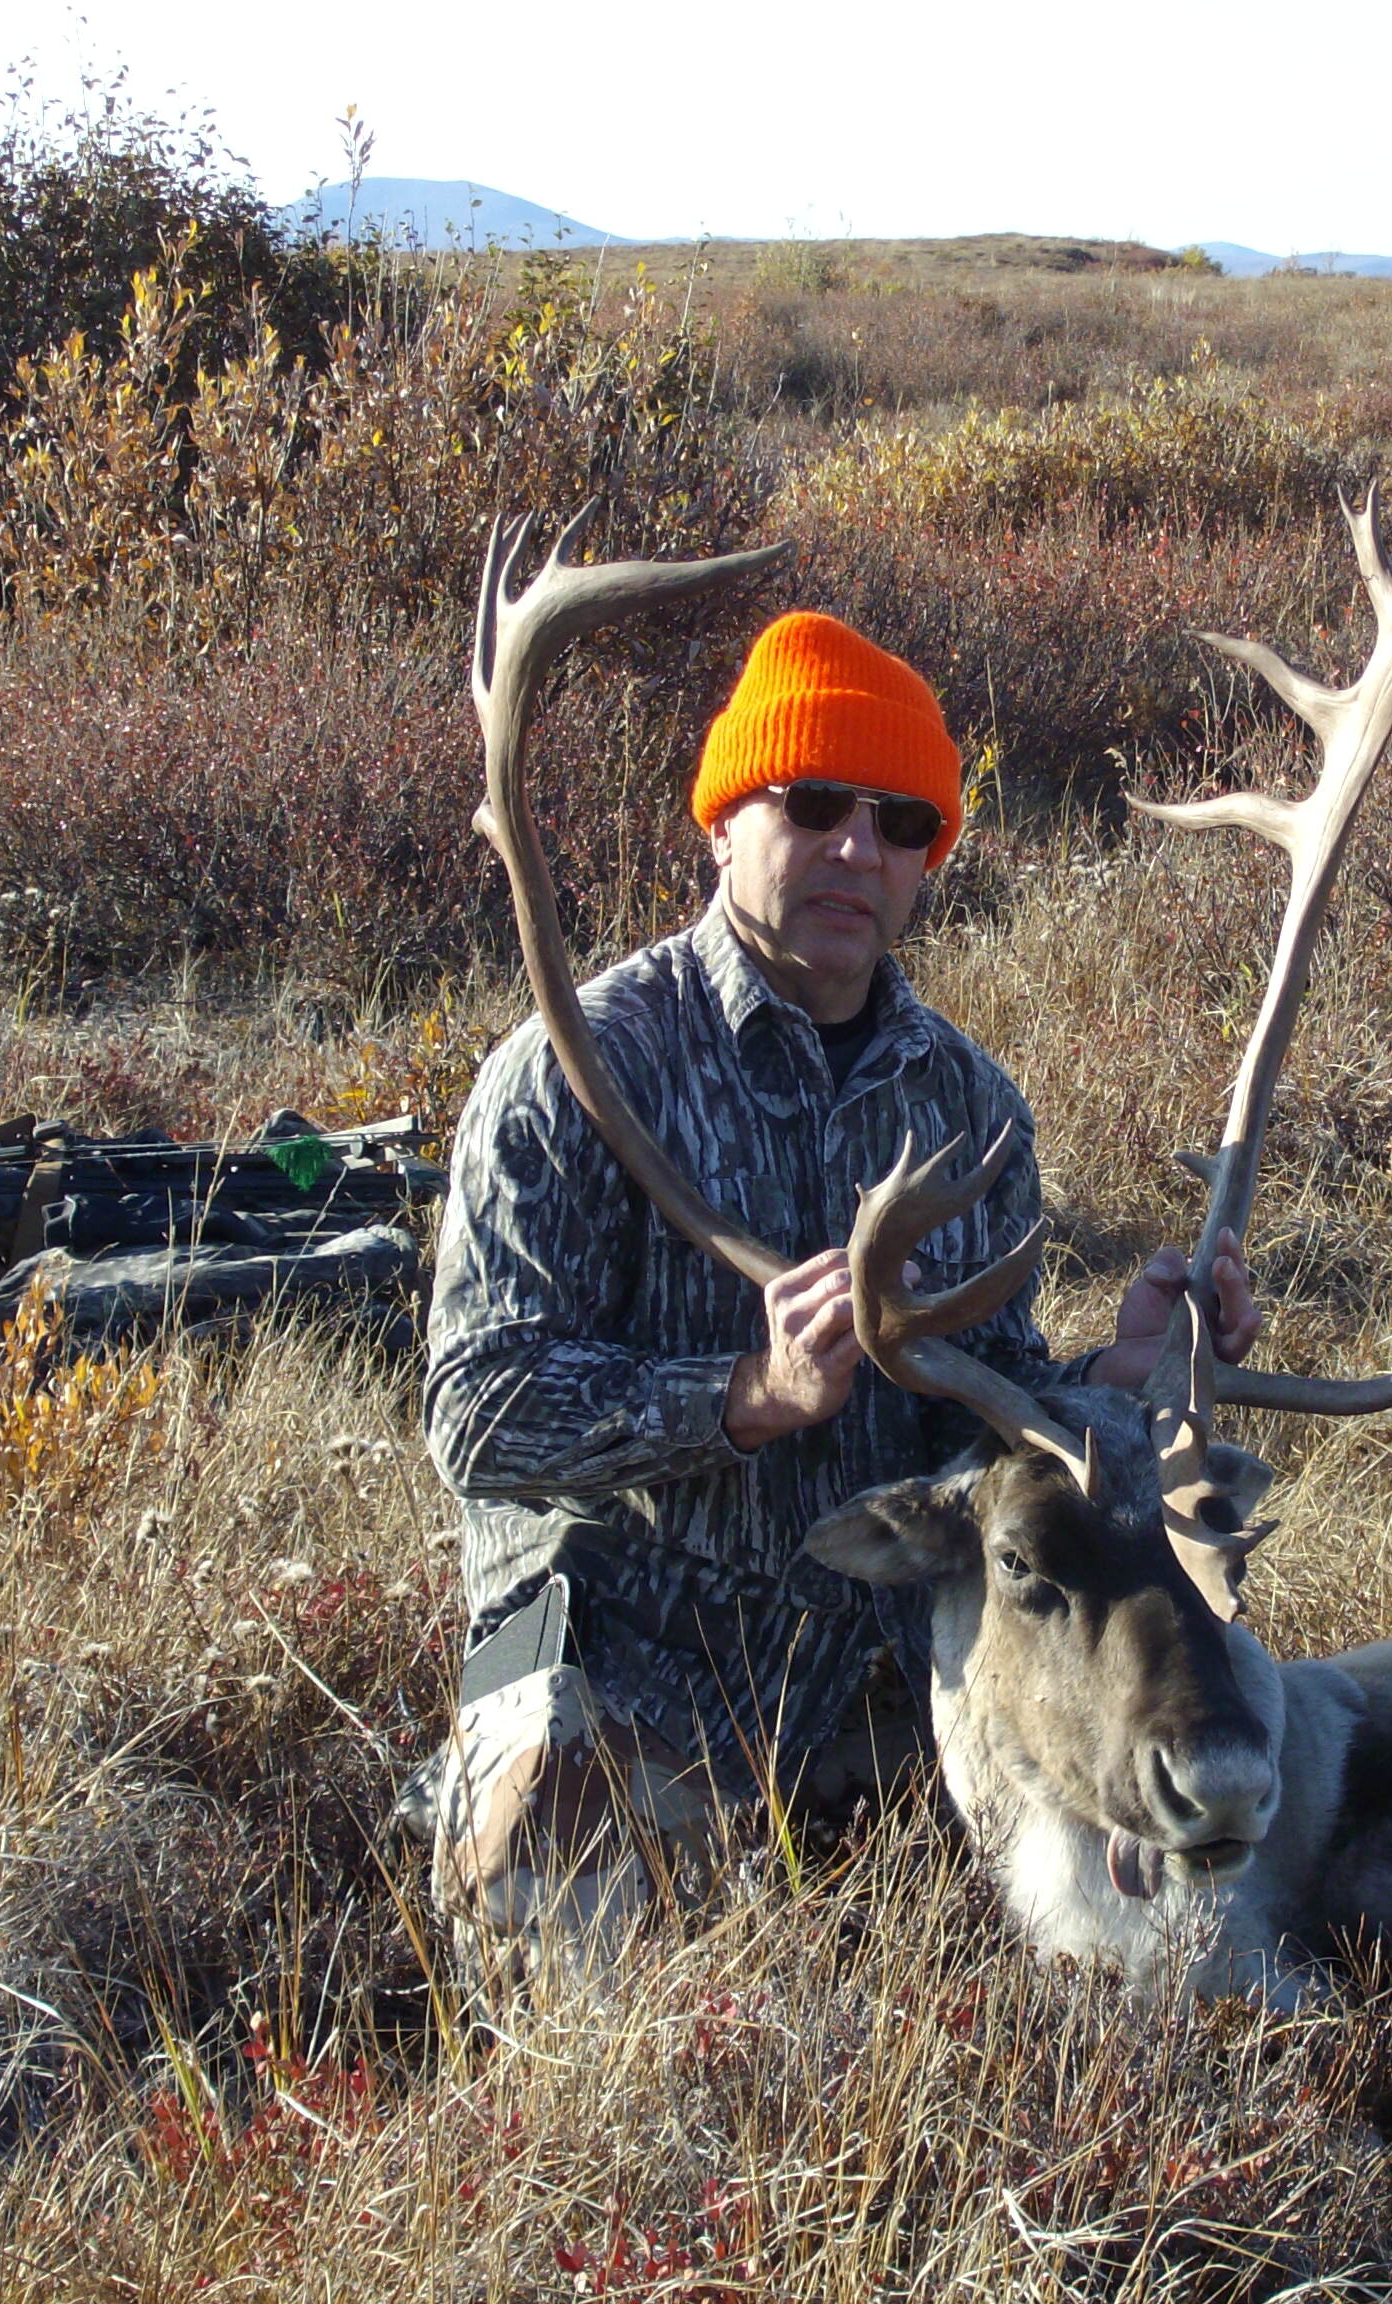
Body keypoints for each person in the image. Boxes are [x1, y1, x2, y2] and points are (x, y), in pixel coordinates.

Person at [417, 609, 1259, 1953]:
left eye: (905, 823)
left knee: (1109, 1961)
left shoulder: (969, 1102)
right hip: (615, 1659)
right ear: (723, 823)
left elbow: (973, 1423)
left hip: (872, 1673)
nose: (858, 849)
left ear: (930, 863)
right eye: (814, 803)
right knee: (596, 2020)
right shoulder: (574, 1070)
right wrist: (742, 1394)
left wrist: (1111, 1375)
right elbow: (479, 1414)